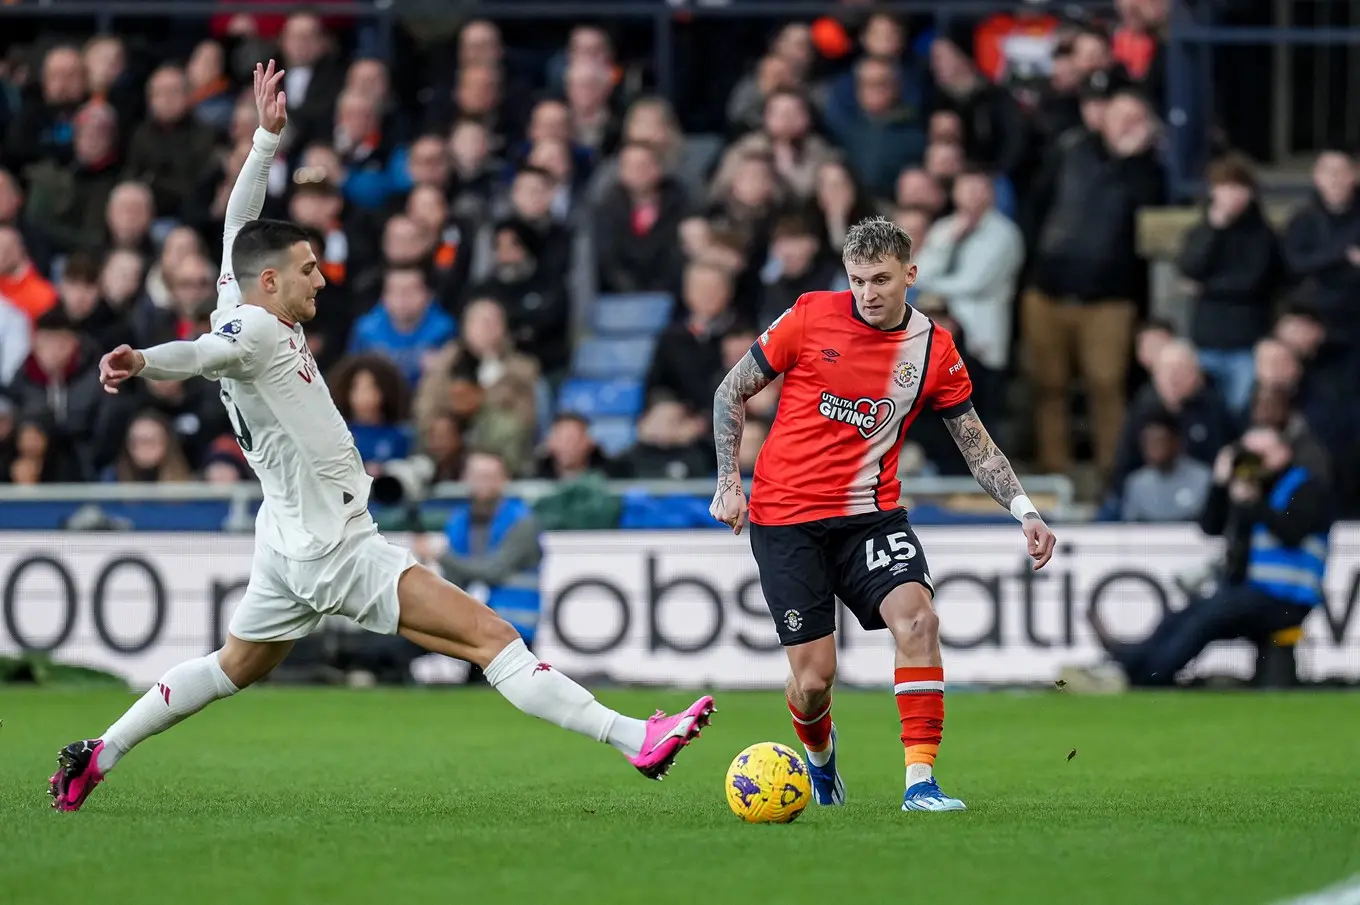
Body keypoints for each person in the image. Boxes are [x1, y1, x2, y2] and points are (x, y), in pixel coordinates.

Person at [48, 61, 714, 814]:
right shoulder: (254, 329)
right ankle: (637, 737)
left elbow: (239, 223)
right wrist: (142, 362)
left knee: (232, 664)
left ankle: (97, 755)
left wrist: (266, 142)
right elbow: (201, 355)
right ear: (270, 284)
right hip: (335, 548)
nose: (321, 278)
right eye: (306, 268)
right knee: (492, 636)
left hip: (287, 535)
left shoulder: (241, 294)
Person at [708, 215, 1056, 813]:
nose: (868, 293)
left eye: (881, 280)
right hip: (786, 516)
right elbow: (730, 390)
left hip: (871, 516)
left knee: (918, 621)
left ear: (910, 276)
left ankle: (920, 783)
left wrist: (1024, 509)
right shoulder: (810, 316)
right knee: (814, 680)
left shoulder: (934, 349)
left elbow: (974, 443)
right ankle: (821, 762)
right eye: (858, 279)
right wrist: (727, 482)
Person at [1092, 425, 1332, 687]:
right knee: (1186, 613)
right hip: (1249, 592)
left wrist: (1253, 504)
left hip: (1286, 598)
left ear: (1283, 452)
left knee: (1208, 617)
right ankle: (1131, 662)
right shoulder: (1253, 488)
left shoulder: (1305, 487)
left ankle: (1151, 676)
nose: (1252, 461)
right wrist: (1221, 484)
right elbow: (1210, 527)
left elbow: (1291, 532)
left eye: (1260, 454)